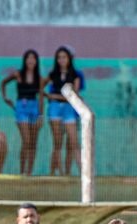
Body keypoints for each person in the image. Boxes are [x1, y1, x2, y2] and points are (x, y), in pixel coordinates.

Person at [1, 49, 44, 176]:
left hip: (34, 108)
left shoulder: (39, 78)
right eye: (28, 58)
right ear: (25, 60)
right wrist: (5, 98)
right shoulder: (18, 74)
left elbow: (41, 97)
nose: (31, 60)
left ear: (36, 61)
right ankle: (21, 171)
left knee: (33, 142)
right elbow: (3, 83)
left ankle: (29, 172)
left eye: (33, 58)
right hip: (21, 107)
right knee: (26, 140)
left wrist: (41, 115)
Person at [43, 46, 81, 176]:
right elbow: (41, 86)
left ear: (69, 58)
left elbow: (74, 96)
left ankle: (83, 171)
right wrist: (48, 97)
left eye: (64, 57)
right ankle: (59, 173)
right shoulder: (53, 74)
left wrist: (55, 96)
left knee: (73, 142)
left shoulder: (75, 75)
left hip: (68, 109)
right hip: (54, 108)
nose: (62, 60)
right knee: (57, 142)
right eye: (59, 57)